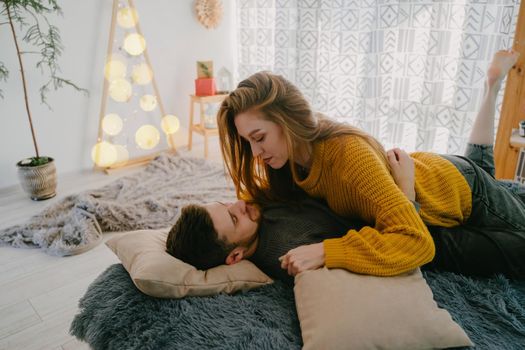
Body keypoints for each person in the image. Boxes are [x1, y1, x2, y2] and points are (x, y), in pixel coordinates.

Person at [216, 49, 525, 278]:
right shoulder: (290, 160)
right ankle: (491, 86)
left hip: (457, 188)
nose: (255, 153)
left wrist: (327, 251)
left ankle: (491, 88)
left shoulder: (347, 155)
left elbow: (416, 243)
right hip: (424, 172)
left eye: (259, 137)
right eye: (247, 142)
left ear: (287, 122)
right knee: (484, 169)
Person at [166, 146, 525, 281]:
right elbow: (396, 246)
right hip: (426, 211)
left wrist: (407, 188)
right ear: (235, 256)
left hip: (445, 182)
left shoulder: (257, 208)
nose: (239, 204)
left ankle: (478, 159)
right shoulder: (285, 250)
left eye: (225, 202)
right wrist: (406, 192)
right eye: (232, 218)